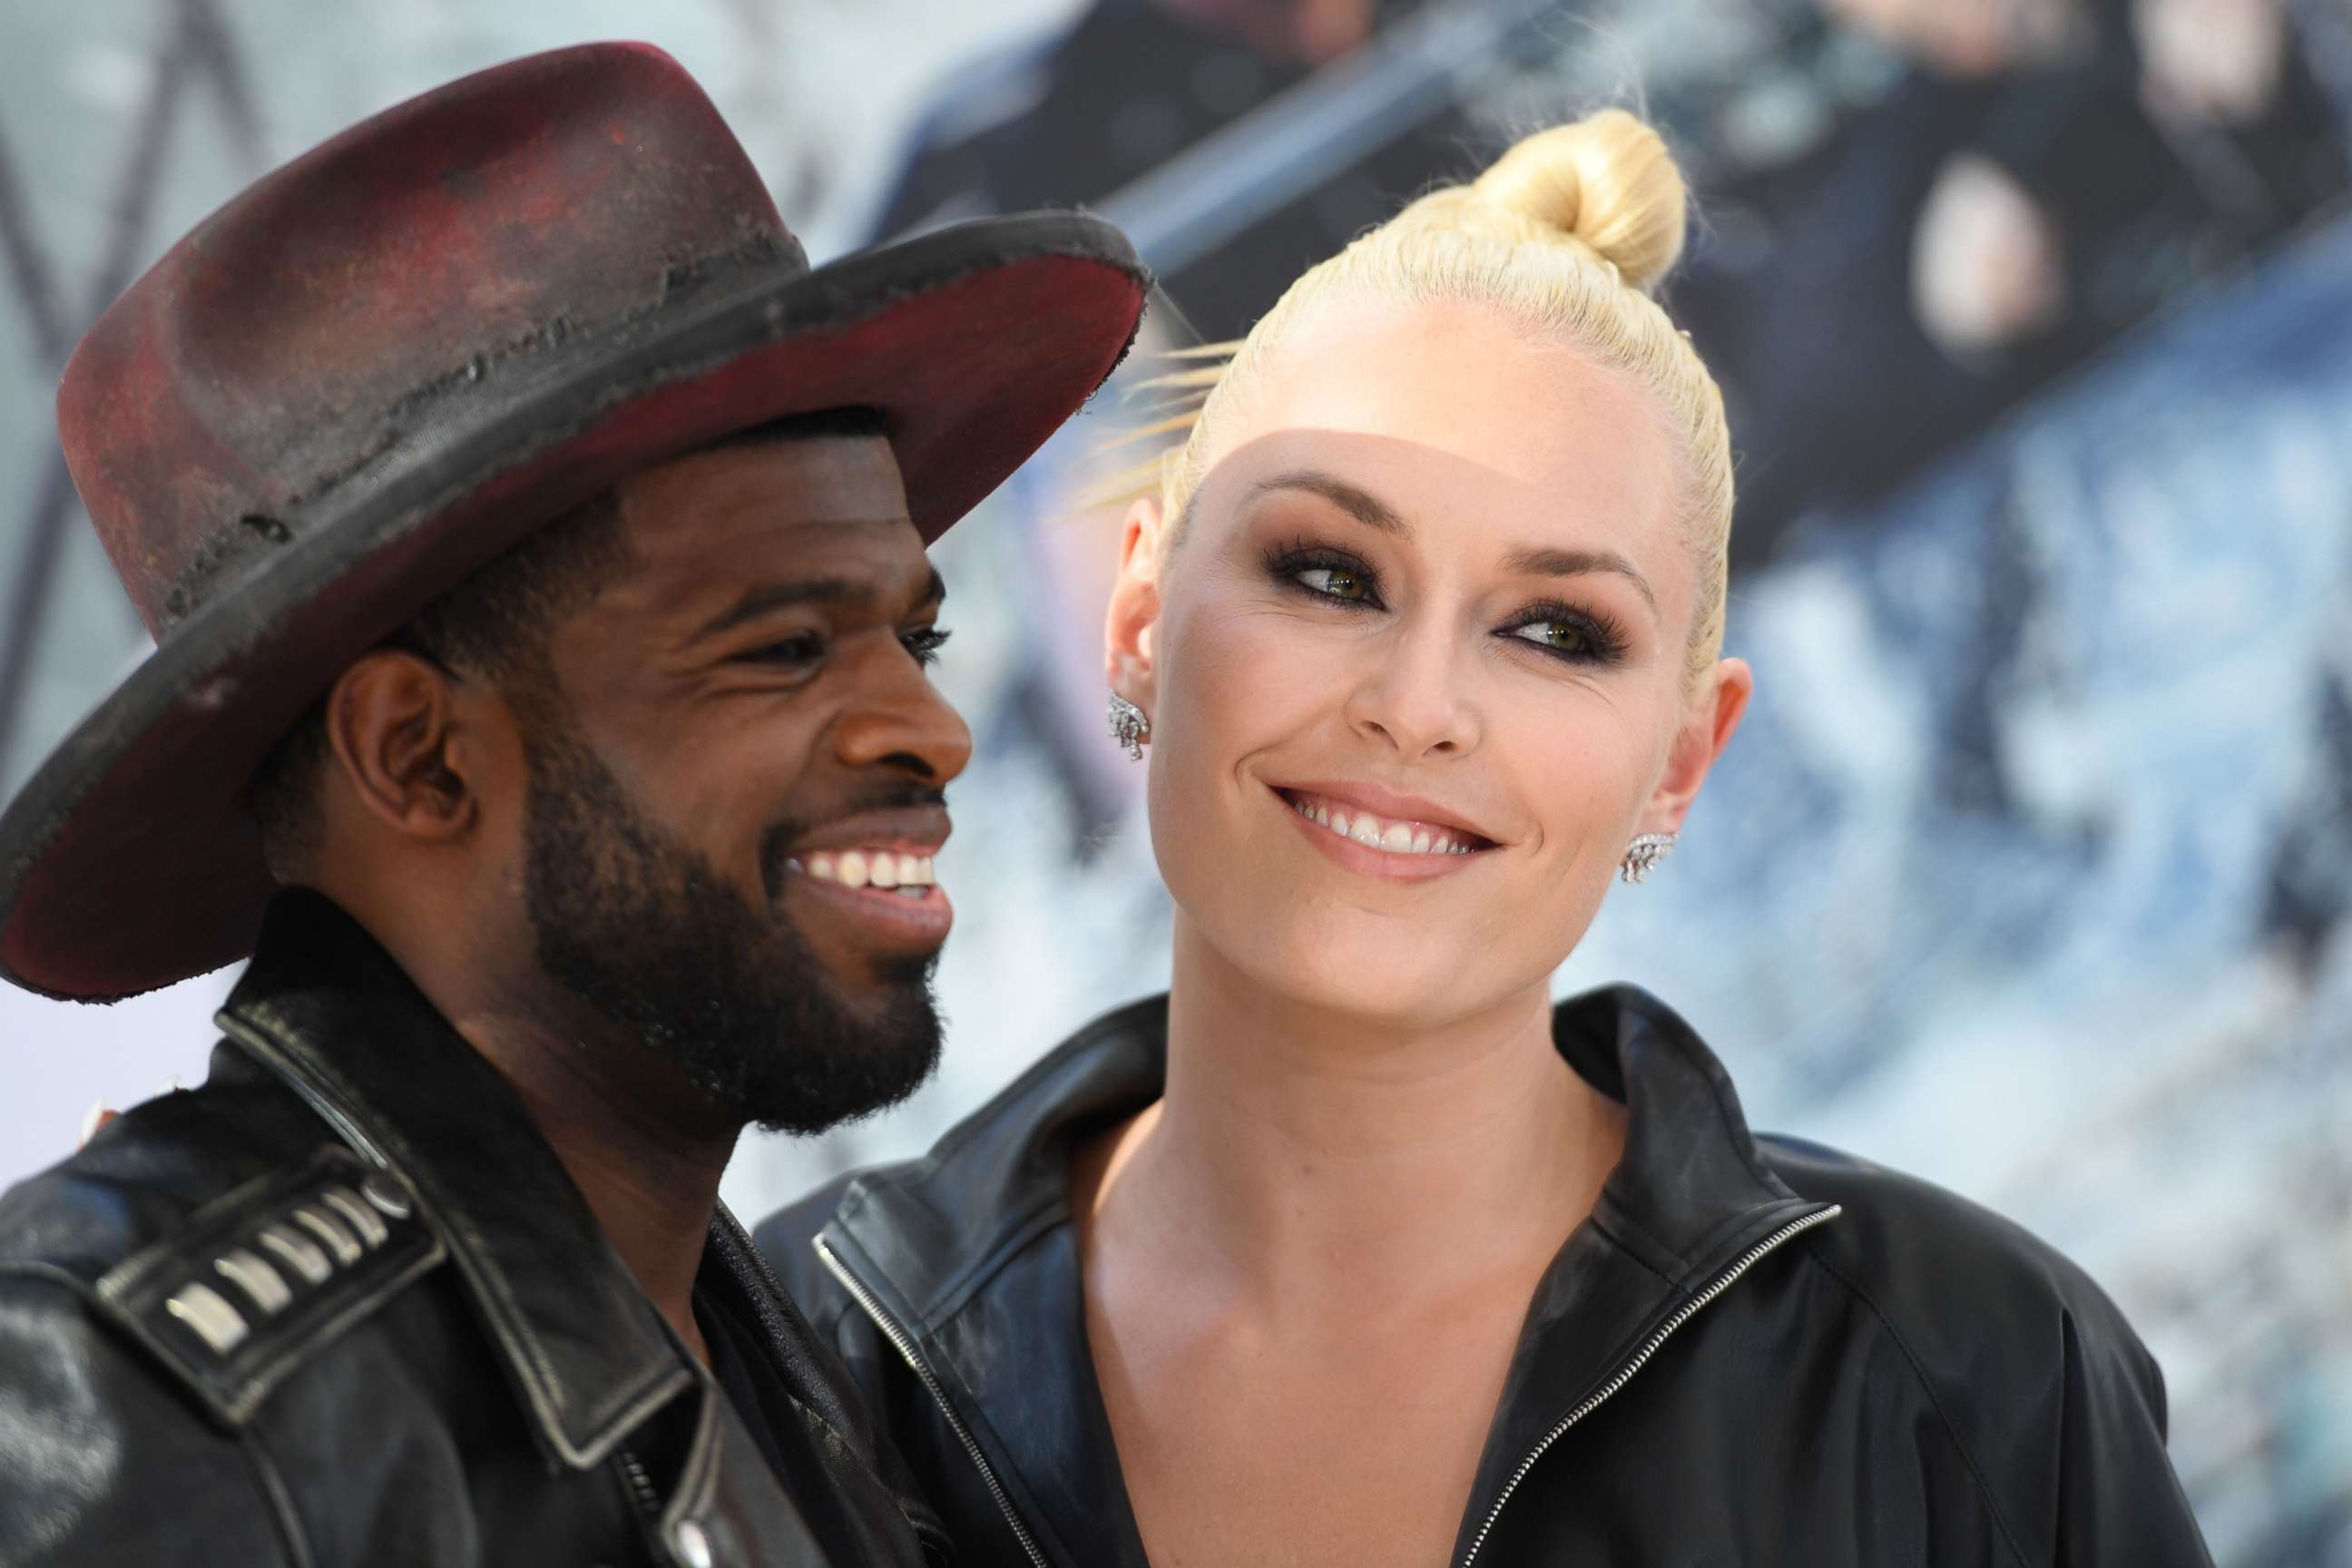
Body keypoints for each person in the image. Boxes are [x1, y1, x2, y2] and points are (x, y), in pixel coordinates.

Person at [759, 108, 2214, 1563]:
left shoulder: (1971, 1379)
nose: (1419, 705)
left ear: (1681, 760)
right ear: (1140, 623)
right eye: (1327, 573)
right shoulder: (795, 1371)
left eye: (1556, 631)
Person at [0, 42, 1145, 1567]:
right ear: (418, 756)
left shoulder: (789, 1365)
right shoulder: (130, 1404)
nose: (928, 730)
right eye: (785, 649)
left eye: (913, 637)